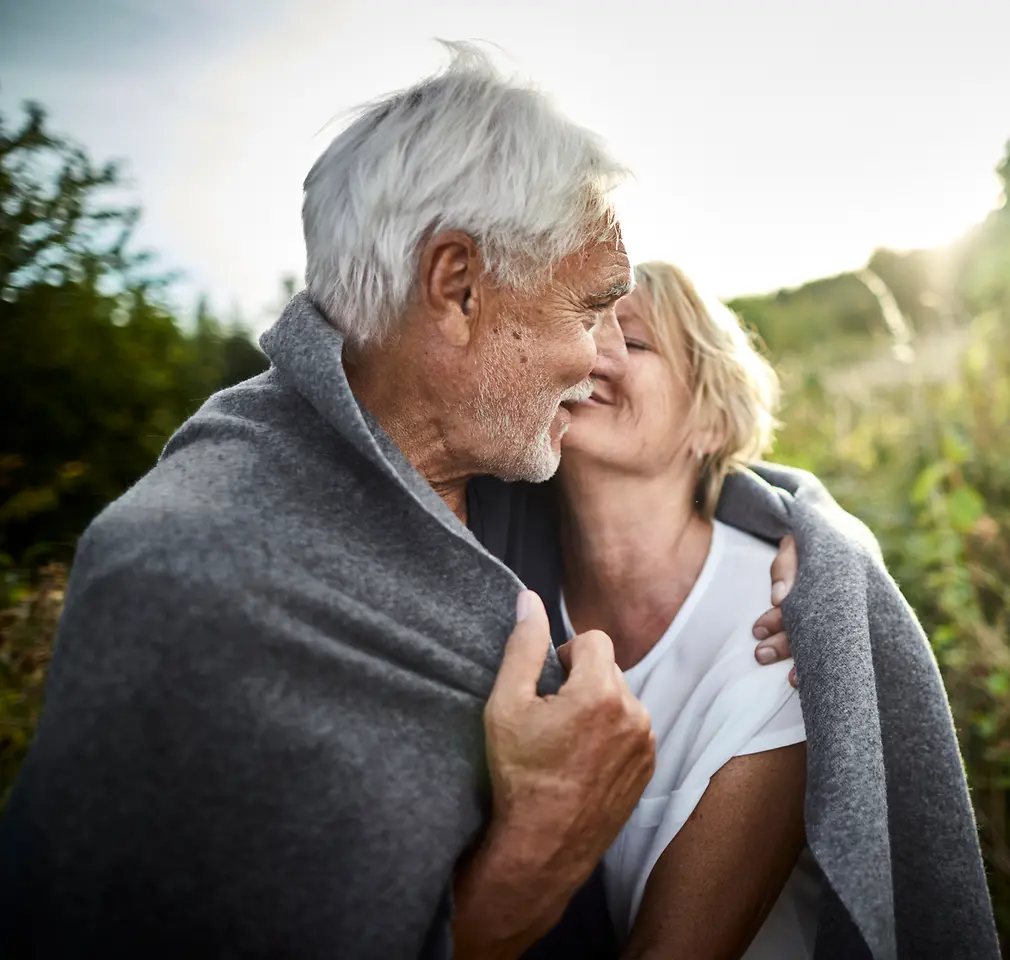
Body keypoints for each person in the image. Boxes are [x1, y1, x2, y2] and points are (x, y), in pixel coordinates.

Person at [0, 43, 800, 959]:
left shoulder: (492, 473)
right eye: (586, 311)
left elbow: (694, 476)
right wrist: (546, 840)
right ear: (457, 287)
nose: (593, 361)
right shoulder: (186, 576)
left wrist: (806, 531)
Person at [554, 262, 816, 957]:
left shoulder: (781, 624)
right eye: (580, 329)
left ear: (710, 420)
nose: (593, 354)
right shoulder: (506, 585)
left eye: (632, 342)